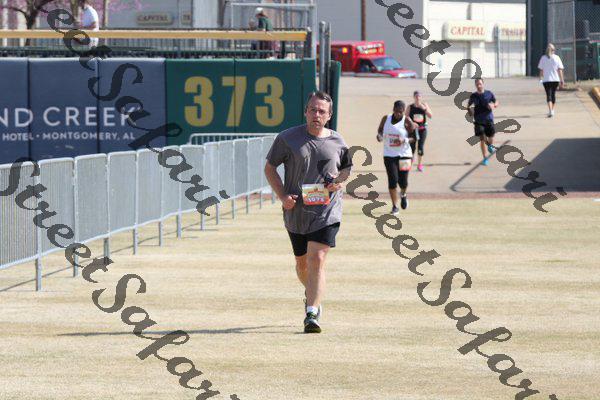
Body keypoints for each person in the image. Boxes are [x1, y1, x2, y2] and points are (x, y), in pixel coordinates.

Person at [264, 91, 352, 334]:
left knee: (317, 259)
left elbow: (346, 169)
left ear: (329, 115)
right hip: (297, 212)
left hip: (327, 210)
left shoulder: (338, 141)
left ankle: (312, 313)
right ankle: (312, 293)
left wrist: (339, 182)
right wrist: (282, 196)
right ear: (305, 112)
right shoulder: (288, 138)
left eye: (322, 111)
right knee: (303, 265)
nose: (316, 114)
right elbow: (270, 168)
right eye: (313, 109)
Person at [377, 100, 418, 214]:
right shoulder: (386, 119)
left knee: (403, 182)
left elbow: (414, 138)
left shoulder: (407, 121)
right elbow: (380, 131)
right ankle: (395, 206)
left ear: (404, 111)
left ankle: (403, 194)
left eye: (400, 112)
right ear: (393, 110)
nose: (398, 114)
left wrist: (404, 140)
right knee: (393, 181)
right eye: (396, 111)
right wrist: (380, 136)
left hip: (404, 155)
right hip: (389, 154)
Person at [468, 78, 499, 166]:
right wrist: (469, 111)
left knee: (491, 136)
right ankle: (485, 158)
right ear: (475, 85)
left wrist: (494, 105)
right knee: (482, 138)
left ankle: (489, 145)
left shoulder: (489, 93)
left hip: (489, 119)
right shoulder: (473, 96)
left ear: (483, 84)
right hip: (478, 120)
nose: (479, 85)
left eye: (480, 84)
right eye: (477, 84)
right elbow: (468, 105)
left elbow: (496, 101)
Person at [406, 91, 432, 172]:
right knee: (412, 147)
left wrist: (424, 109)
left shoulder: (424, 105)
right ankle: (410, 163)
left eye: (419, 96)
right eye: (416, 96)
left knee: (420, 147)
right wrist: (412, 123)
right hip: (412, 130)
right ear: (414, 97)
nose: (418, 98)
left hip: (422, 130)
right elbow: (405, 117)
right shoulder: (410, 106)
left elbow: (430, 116)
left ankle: (419, 165)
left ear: (421, 97)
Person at [538, 43, 565, 117]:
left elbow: (541, 70)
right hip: (555, 80)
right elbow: (560, 70)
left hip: (546, 80)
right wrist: (562, 80)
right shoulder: (557, 58)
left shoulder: (543, 58)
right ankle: (552, 110)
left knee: (548, 94)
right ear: (553, 50)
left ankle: (550, 110)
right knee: (553, 94)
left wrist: (540, 78)